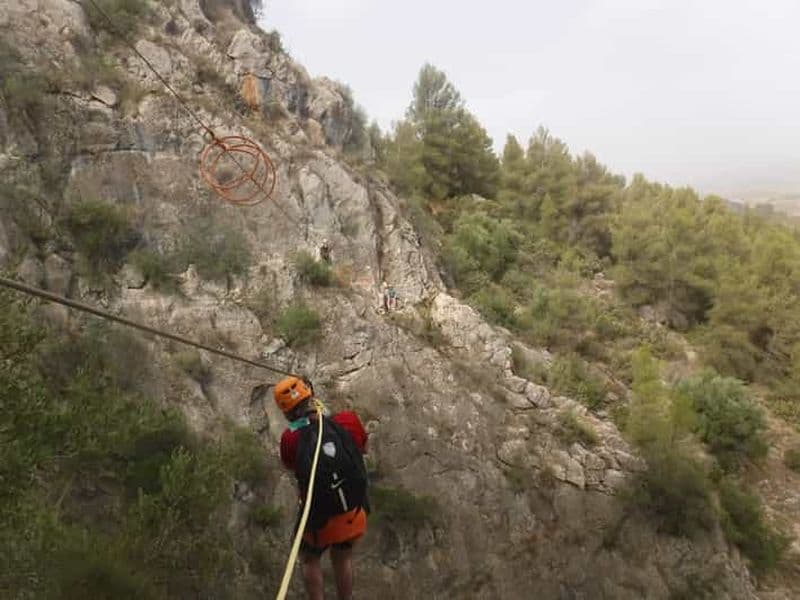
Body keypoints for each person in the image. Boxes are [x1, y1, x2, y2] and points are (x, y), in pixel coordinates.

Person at [274, 376, 369, 600]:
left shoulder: (290, 439)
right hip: (353, 514)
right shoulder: (347, 420)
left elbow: (291, 467)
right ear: (311, 396)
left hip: (319, 521)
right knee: (343, 556)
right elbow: (364, 449)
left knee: (309, 558)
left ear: (286, 413)